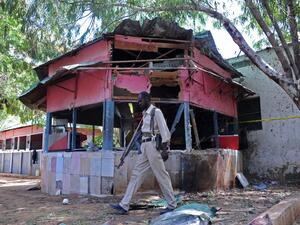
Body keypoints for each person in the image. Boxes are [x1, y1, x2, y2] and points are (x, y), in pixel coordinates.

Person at [110, 91, 177, 214]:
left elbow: (165, 132)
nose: (138, 103)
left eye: (140, 100)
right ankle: (124, 205)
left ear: (147, 100)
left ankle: (172, 204)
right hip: (145, 146)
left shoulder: (156, 112)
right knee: (136, 174)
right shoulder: (145, 114)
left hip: (153, 146)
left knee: (161, 175)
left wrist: (164, 149)